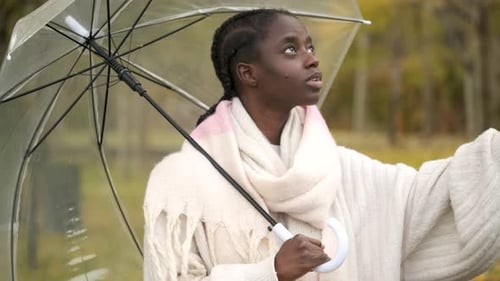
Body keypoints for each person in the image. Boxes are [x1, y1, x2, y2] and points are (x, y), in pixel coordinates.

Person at [143, 8, 500, 281]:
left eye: (310, 46)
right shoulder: (182, 184)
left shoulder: (342, 167)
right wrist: (271, 271)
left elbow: (424, 198)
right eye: (290, 49)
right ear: (248, 73)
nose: (312, 58)